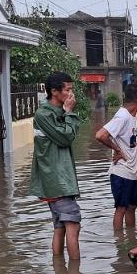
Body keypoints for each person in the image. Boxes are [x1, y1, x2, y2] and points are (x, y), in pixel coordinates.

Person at [31, 71, 82, 260]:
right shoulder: (43, 115)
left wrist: (66, 113)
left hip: (59, 182)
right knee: (73, 226)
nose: (71, 94)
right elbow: (65, 137)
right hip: (58, 182)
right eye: (68, 90)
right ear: (54, 91)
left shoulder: (54, 113)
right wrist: (69, 112)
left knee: (60, 227)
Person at [95, 84, 137, 228]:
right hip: (121, 172)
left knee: (131, 207)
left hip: (131, 172)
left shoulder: (131, 117)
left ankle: (130, 239)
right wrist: (117, 150)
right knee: (121, 208)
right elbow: (100, 135)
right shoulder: (122, 116)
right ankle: (119, 244)